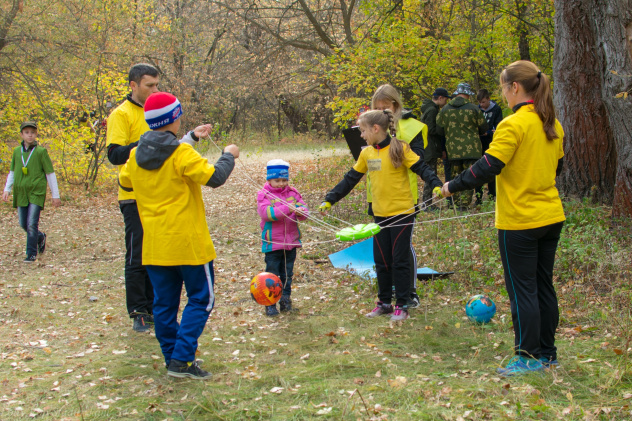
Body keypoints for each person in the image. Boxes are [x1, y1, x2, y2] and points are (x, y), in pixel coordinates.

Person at [441, 61, 565, 376]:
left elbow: (487, 166)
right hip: (550, 216)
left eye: (503, 88)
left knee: (524, 290)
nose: (503, 94)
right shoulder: (552, 123)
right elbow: (557, 169)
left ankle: (528, 357)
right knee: (542, 286)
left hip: (520, 222)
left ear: (514, 88)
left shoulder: (513, 124)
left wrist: (452, 186)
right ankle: (547, 355)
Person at [118, 92, 239, 380]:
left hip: (156, 246)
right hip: (188, 244)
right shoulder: (181, 154)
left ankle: (173, 358)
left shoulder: (135, 156)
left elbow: (125, 179)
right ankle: (182, 359)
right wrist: (228, 155)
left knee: (164, 305)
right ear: (175, 117)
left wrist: (188, 140)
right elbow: (215, 177)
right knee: (202, 299)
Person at [320, 109, 443, 321]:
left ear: (375, 129)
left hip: (402, 214)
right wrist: (331, 198)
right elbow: (351, 178)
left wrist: (436, 185)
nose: (361, 135)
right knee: (382, 260)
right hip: (380, 216)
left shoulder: (400, 149)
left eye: (363, 130)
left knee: (399, 260)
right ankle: (384, 303)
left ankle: (402, 304)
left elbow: (422, 168)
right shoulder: (367, 153)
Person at [106, 63, 159, 332]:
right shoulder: (121, 114)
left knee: (156, 254)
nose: (154, 90)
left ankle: (153, 307)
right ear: (133, 85)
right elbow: (114, 154)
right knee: (137, 255)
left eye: (156, 85)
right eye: (149, 85)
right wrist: (144, 144)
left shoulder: (155, 111)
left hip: (156, 195)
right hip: (131, 196)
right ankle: (138, 311)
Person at [371, 84, 428, 308]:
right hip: (378, 196)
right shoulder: (373, 125)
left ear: (395, 105)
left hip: (404, 197)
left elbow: (419, 160)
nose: (382, 113)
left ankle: (409, 292)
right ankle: (389, 293)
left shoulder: (412, 127)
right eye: (378, 109)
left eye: (385, 108)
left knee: (402, 248)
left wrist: (395, 148)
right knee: (384, 249)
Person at [256, 159, 309, 316]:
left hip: (290, 243)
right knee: (272, 275)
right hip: (273, 244)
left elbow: (304, 210)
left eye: (284, 180)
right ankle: (270, 303)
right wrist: (288, 208)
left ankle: (285, 301)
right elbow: (268, 214)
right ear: (269, 179)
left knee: (287, 274)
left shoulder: (293, 193)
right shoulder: (264, 195)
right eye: (277, 180)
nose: (281, 183)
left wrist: (300, 211)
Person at [3, 121, 61, 262]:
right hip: (21, 192)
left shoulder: (41, 152)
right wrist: (7, 189)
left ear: (36, 134)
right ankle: (40, 237)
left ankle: (31, 254)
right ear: (22, 134)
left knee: (31, 223)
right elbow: (12, 171)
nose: (30, 135)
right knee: (23, 223)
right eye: (27, 132)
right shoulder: (17, 152)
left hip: (36, 191)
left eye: (33, 132)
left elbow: (50, 174)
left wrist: (55, 195)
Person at [436, 82, 488, 211]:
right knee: (470, 176)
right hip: (472, 149)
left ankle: (458, 204)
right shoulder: (474, 109)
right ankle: (465, 204)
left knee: (455, 177)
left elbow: (439, 130)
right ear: (468, 95)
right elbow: (484, 127)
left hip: (453, 150)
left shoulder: (445, 110)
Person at [420, 87, 452, 209]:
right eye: (445, 99)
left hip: (430, 147)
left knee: (431, 173)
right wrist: (442, 129)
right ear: (440, 98)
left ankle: (427, 203)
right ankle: (427, 204)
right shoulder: (432, 110)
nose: (446, 102)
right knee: (430, 174)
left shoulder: (429, 109)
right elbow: (431, 129)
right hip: (430, 148)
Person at [475, 89, 504, 203]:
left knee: (491, 168)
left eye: (483, 102)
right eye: (480, 103)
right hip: (479, 143)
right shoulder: (477, 110)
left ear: (488, 99)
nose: (482, 105)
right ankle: (478, 196)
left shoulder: (496, 109)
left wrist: (490, 132)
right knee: (479, 169)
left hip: (491, 142)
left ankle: (492, 195)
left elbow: (499, 126)